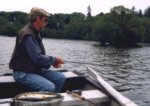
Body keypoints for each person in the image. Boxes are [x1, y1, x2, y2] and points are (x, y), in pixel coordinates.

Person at [9, 7, 66, 93]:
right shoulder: (28, 35)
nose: (46, 23)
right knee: (49, 88)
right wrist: (55, 59)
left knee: (60, 78)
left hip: (33, 69)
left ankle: (50, 101)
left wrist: (51, 62)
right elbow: (38, 58)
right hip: (22, 73)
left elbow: (37, 57)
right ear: (38, 19)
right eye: (45, 20)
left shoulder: (36, 32)